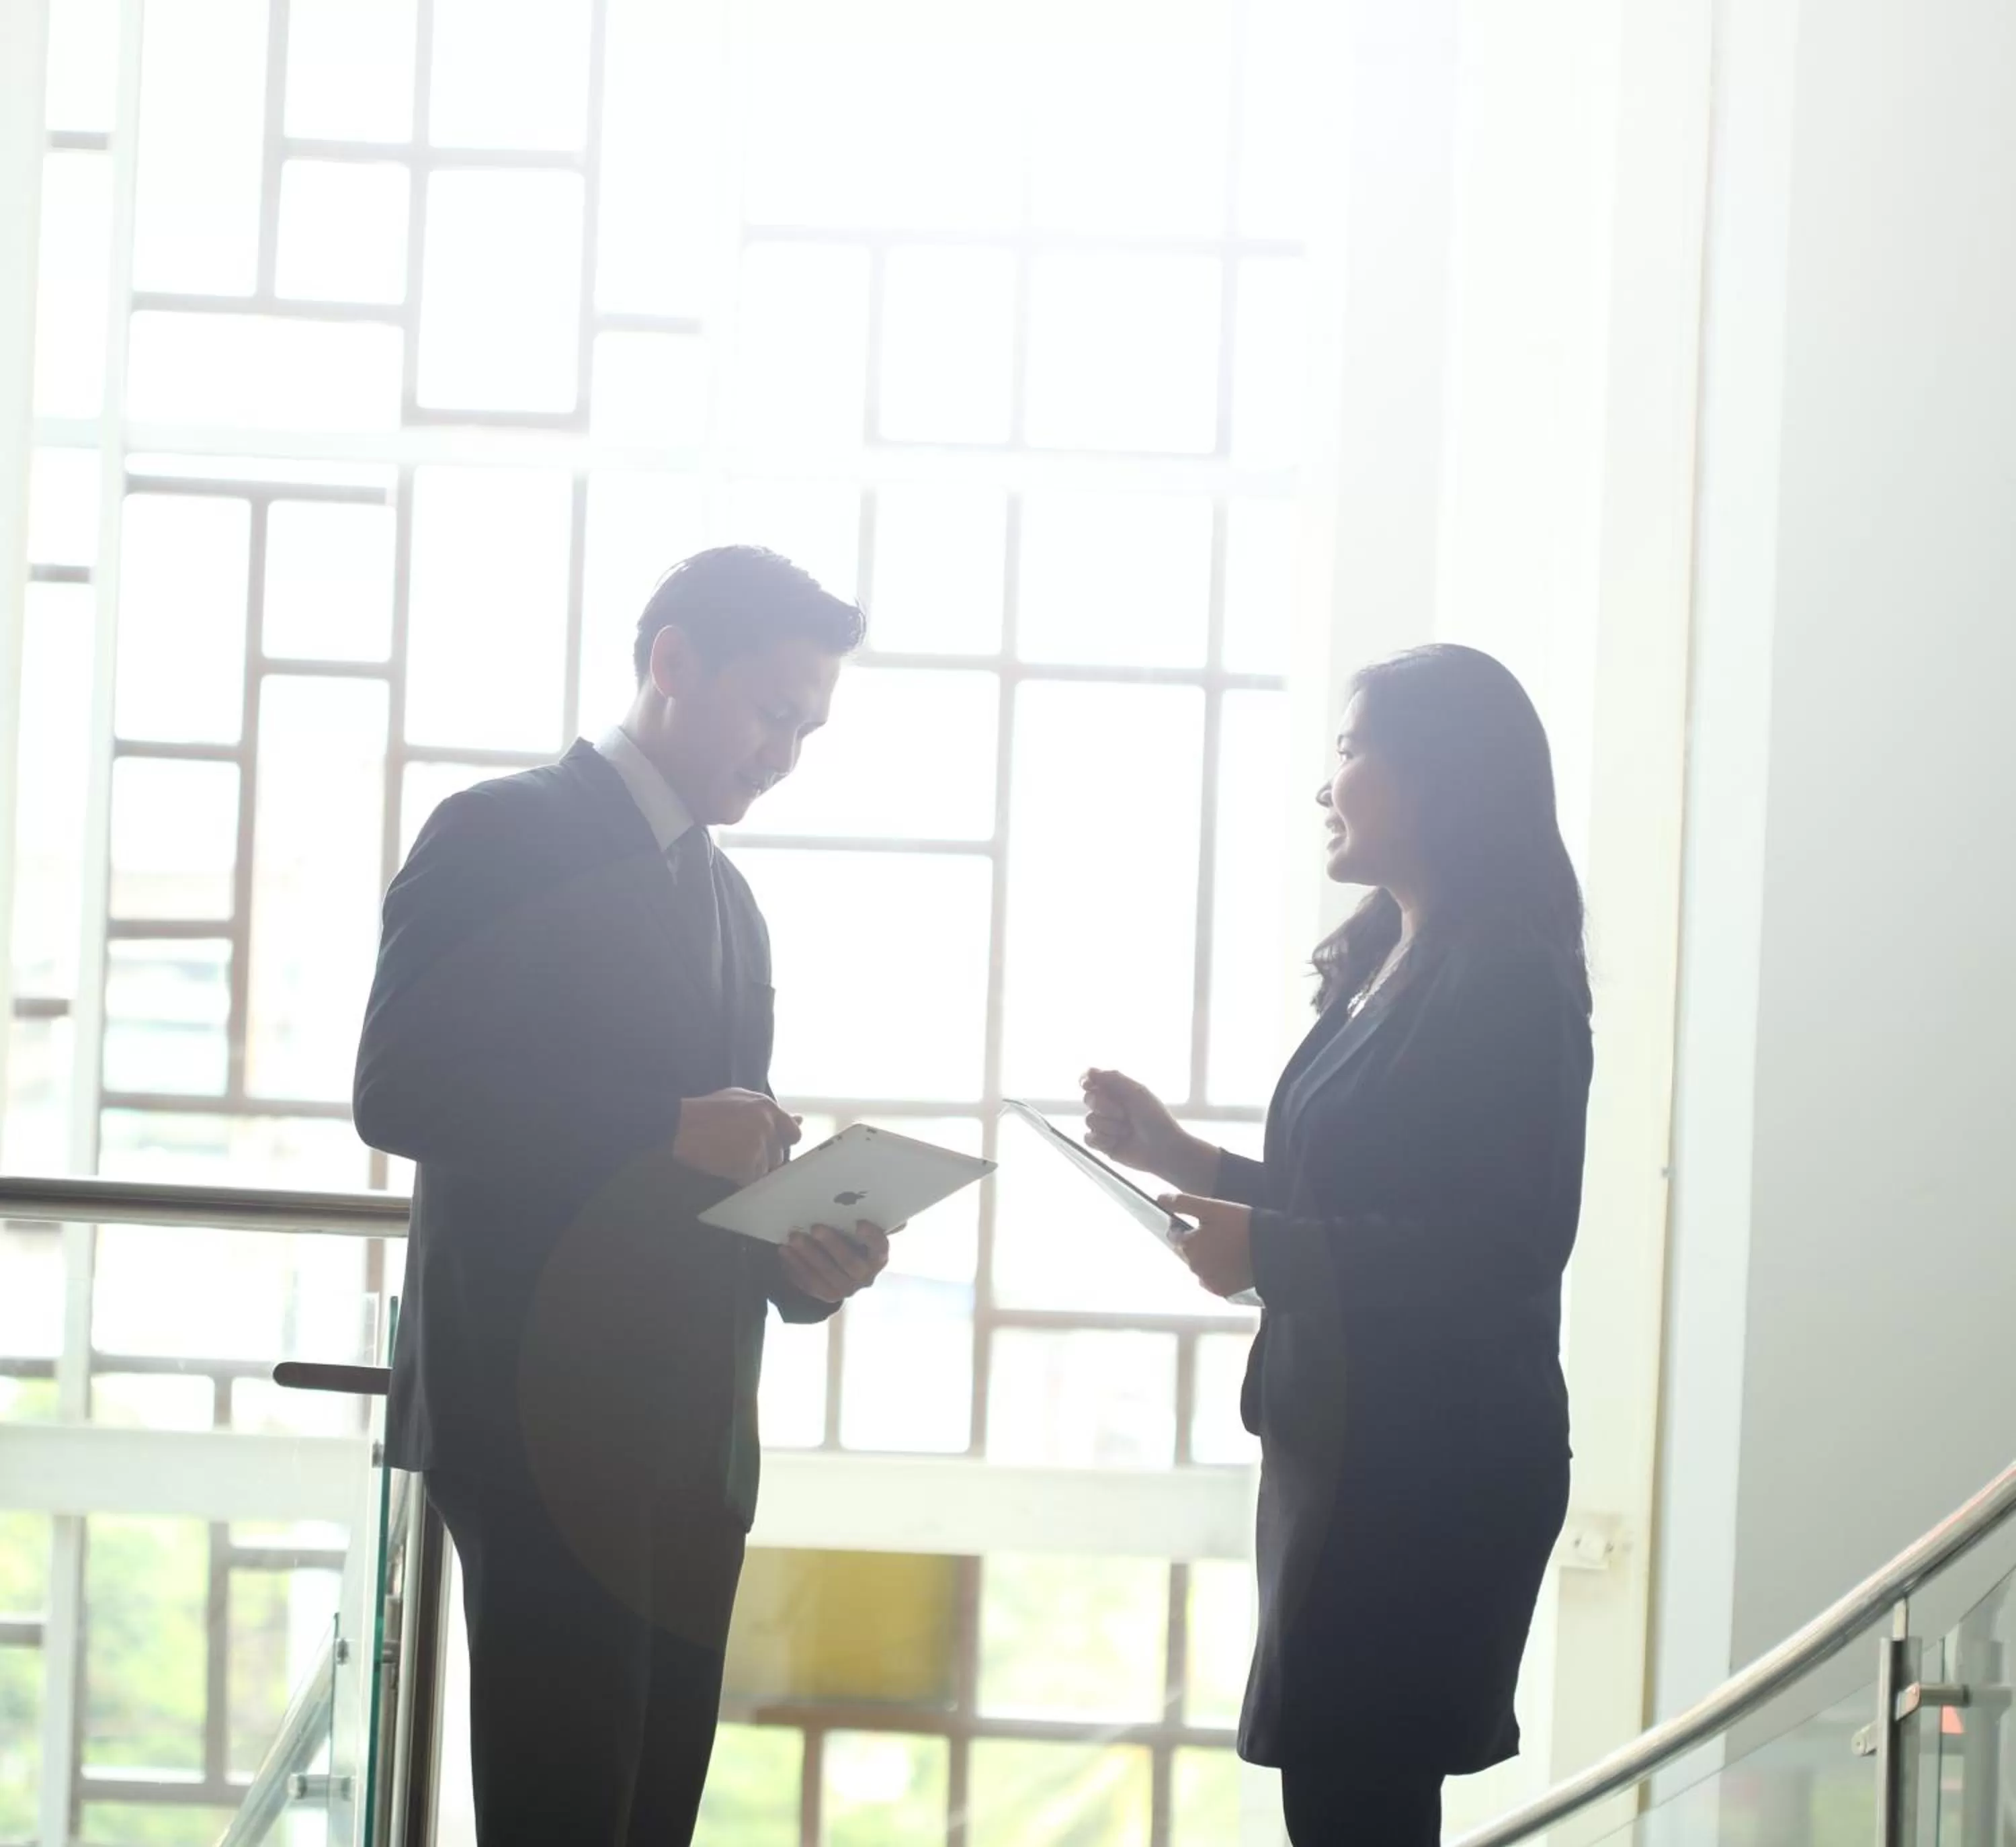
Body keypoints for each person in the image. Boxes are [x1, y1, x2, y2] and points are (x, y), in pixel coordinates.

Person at [353, 546, 894, 1847]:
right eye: (774, 714)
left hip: (689, 1435)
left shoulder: (732, 900)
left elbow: (717, 1162)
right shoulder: (499, 831)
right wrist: (663, 1127)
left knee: (652, 1807)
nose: (786, 754)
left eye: (809, 730)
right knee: (561, 1802)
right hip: (538, 1416)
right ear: (670, 664)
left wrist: (800, 1257)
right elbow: (402, 1089)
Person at [1083, 644, 1592, 1845]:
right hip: (1350, 1447)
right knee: (1338, 1788)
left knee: (1357, 1796)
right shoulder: (1388, 960)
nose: (1330, 784)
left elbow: (1506, 1245)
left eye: (1353, 749)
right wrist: (1187, 1163)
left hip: (1428, 1469)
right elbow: (1358, 1190)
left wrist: (1274, 1255)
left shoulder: (1507, 977)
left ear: (1442, 775)